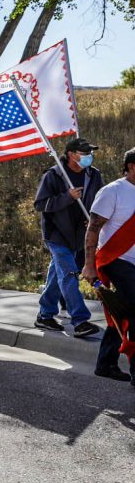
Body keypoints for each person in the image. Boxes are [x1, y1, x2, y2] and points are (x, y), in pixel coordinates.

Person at [33, 138, 103, 337]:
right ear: (72, 154)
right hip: (57, 234)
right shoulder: (54, 175)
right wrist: (67, 197)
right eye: (85, 153)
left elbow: (100, 200)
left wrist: (93, 219)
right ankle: (80, 320)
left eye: (90, 152)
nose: (89, 156)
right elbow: (40, 204)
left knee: (58, 273)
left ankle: (45, 315)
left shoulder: (93, 174)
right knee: (69, 273)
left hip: (80, 235)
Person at [82, 146, 135, 381]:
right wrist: (89, 264)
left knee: (122, 311)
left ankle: (106, 363)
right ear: (131, 167)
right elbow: (92, 230)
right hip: (116, 260)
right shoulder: (113, 191)